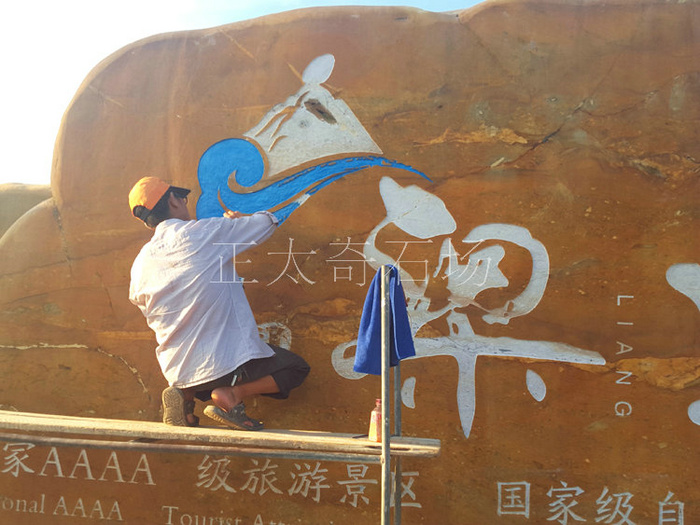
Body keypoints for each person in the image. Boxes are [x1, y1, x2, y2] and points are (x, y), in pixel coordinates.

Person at [128, 176, 309, 431]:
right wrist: (238, 220)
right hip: (225, 363)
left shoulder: (141, 262)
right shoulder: (204, 232)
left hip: (176, 367)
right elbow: (265, 223)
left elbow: (140, 302)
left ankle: (185, 396)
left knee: (200, 371)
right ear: (173, 200)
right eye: (182, 197)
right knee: (295, 368)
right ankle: (232, 394)